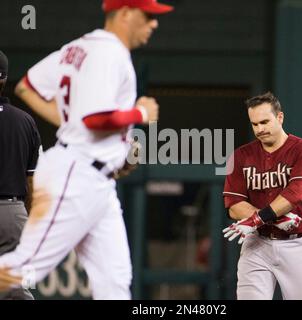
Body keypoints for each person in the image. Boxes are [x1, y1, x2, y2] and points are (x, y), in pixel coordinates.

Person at [0, 0, 174, 299]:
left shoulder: (80, 47)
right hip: (76, 174)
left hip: (97, 179)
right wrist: (140, 114)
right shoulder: (111, 53)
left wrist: (76, 128)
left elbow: (27, 86)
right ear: (125, 13)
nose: (154, 23)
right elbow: (95, 118)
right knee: (22, 268)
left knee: (115, 280)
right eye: (148, 16)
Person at [222, 92, 302, 300]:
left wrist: (258, 218)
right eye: (254, 124)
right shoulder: (241, 155)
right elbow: (233, 204)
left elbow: (295, 194)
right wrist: (275, 218)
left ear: (280, 117)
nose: (260, 129)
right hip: (257, 242)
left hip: (297, 244)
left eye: (265, 122)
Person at [0, 50, 41, 299]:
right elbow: (31, 183)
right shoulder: (25, 121)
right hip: (12, 212)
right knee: (14, 288)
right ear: (4, 79)